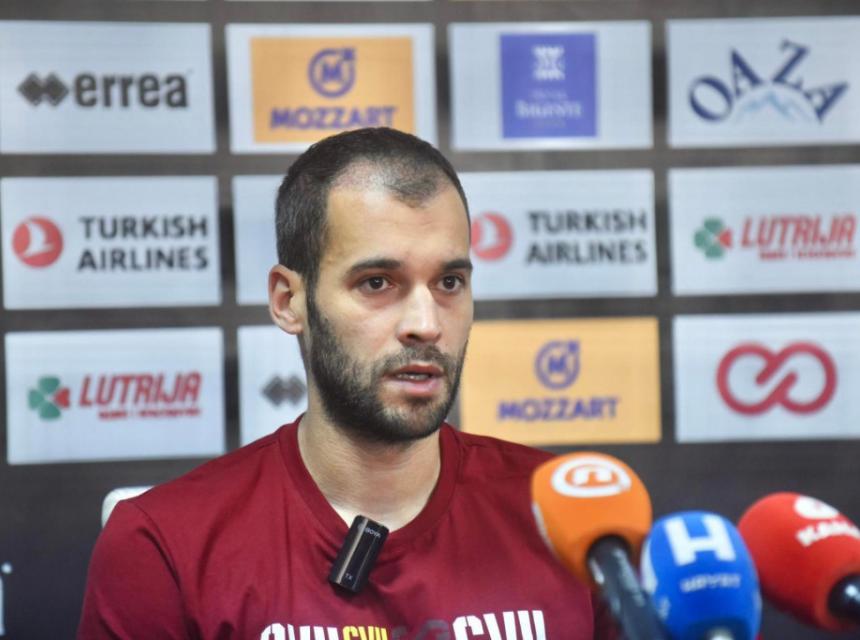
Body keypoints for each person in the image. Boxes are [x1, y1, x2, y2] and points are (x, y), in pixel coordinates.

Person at [78, 128, 616, 639]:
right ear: (289, 300)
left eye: (449, 282)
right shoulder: (164, 546)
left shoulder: (574, 521)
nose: (426, 324)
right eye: (377, 283)